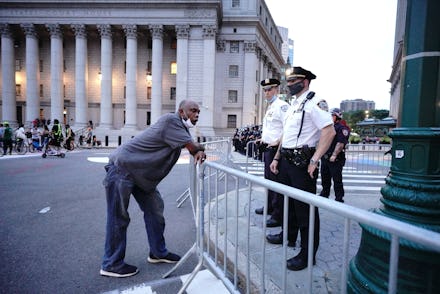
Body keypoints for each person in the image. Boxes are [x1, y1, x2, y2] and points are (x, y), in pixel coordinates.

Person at [100, 99, 207, 278]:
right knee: (119, 217)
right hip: (122, 169)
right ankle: (111, 264)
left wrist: (196, 150)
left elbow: (191, 146)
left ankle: (158, 252)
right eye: (193, 111)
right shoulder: (171, 121)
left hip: (141, 176)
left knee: (155, 210)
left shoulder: (181, 128)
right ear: (181, 112)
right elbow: (193, 146)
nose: (196, 115)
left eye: (198, 112)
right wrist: (198, 149)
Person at [270, 66, 335, 271]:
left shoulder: (315, 101)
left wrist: (315, 160)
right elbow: (287, 136)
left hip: (302, 164)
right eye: (288, 82)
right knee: (287, 203)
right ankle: (288, 236)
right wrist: (277, 158)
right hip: (287, 161)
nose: (289, 85)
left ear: (304, 81)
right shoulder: (293, 105)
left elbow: (329, 131)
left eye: (292, 81)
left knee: (305, 210)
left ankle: (307, 255)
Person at [255, 78, 290, 230]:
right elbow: (271, 128)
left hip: (276, 150)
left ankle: (278, 214)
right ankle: (270, 206)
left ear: (277, 89)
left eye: (270, 89)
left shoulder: (282, 106)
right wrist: (261, 139)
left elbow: (287, 128)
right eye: (265, 90)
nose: (267, 92)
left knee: (276, 182)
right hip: (267, 148)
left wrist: (277, 142)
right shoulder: (270, 107)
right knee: (268, 180)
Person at [319, 108, 350, 202]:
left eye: (332, 115)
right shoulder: (328, 127)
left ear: (337, 117)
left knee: (337, 179)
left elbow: (340, 143)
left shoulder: (341, 128)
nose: (329, 117)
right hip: (325, 157)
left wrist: (334, 155)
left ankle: (339, 198)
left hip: (335, 159)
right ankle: (325, 193)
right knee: (325, 178)